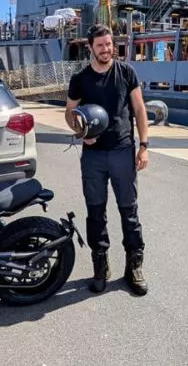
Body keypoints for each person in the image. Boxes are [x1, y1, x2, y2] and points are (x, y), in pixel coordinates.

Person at [66, 23, 150, 295]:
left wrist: (144, 146)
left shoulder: (126, 72)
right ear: (90, 47)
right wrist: (81, 134)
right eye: (100, 45)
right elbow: (70, 112)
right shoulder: (80, 78)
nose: (106, 49)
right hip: (93, 156)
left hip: (123, 151)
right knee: (95, 213)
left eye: (109, 44)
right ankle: (100, 267)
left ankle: (134, 267)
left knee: (129, 211)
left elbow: (139, 109)